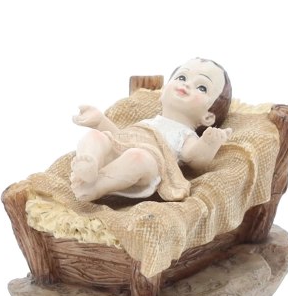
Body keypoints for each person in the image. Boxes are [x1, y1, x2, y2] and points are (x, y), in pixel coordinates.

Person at [70, 58, 233, 202]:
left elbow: (195, 160)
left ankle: (97, 186)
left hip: (146, 166)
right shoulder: (148, 122)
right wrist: (100, 120)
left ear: (208, 117)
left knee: (138, 157)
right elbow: (120, 137)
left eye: (202, 87)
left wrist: (209, 143)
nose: (187, 84)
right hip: (119, 152)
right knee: (95, 136)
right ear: (162, 94)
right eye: (182, 77)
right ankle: (90, 164)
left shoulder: (186, 135)